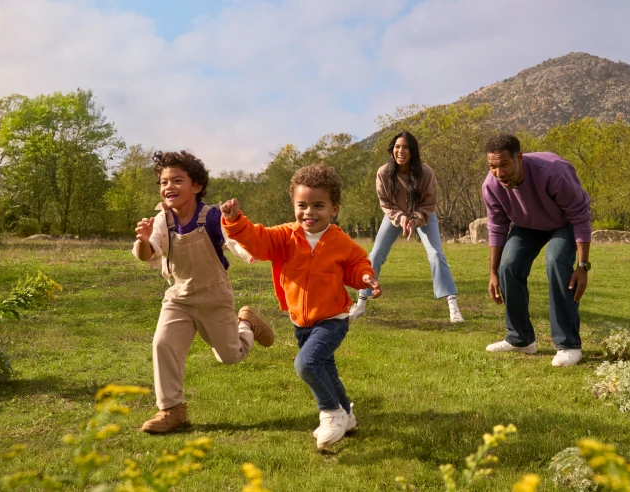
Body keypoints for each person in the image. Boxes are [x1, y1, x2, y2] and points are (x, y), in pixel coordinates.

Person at [220, 164, 381, 450]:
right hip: (301, 322)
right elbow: (257, 241)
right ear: (294, 205)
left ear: (333, 209)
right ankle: (347, 414)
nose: (309, 212)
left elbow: (356, 265)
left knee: (306, 364)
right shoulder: (285, 236)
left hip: (333, 319)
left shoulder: (340, 241)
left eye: (318, 205)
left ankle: (330, 413)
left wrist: (365, 277)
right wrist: (235, 221)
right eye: (302, 205)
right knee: (325, 366)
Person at [132, 150, 275, 433]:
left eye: (177, 180)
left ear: (196, 186)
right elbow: (148, 254)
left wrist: (235, 221)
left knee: (230, 356)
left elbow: (235, 240)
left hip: (214, 296)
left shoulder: (211, 217)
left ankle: (247, 324)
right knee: (163, 343)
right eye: (164, 182)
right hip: (179, 297)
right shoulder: (162, 220)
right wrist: (144, 240)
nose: (169, 187)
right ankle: (172, 409)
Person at [482, 134, 592, 367]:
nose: (499, 173)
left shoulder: (553, 172)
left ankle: (569, 345)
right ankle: (520, 339)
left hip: (564, 223)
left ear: (519, 158)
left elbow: (580, 216)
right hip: (527, 225)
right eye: (492, 166)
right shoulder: (491, 186)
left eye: (504, 164)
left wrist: (582, 266)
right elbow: (497, 228)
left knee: (556, 261)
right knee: (508, 266)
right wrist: (493, 272)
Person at [349, 130, 463, 323]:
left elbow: (429, 203)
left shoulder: (426, 172)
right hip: (395, 216)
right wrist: (401, 218)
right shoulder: (383, 172)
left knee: (436, 254)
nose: (400, 151)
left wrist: (415, 219)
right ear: (392, 149)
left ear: (413, 151)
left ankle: (453, 306)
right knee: (375, 255)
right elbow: (385, 203)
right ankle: (360, 304)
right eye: (397, 147)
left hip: (423, 215)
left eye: (405, 147)